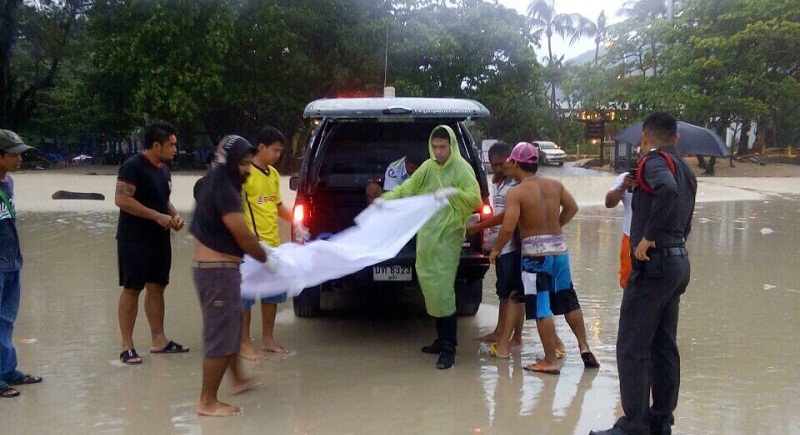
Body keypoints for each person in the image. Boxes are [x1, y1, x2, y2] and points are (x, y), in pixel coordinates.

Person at [591, 112, 697, 435]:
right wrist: (670, 242)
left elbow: (665, 190)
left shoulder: (652, 162)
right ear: (676, 138)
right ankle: (661, 420)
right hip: (677, 262)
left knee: (632, 345)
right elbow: (685, 215)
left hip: (654, 264)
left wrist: (650, 237)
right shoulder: (686, 170)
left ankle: (634, 425)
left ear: (645, 137)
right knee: (664, 345)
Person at [491, 142, 599, 375]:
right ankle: (584, 346)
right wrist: (555, 227)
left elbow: (508, 227)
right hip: (559, 252)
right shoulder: (554, 185)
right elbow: (572, 208)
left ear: (517, 164)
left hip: (534, 257)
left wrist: (496, 249)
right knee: (569, 299)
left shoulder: (516, 192)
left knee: (541, 307)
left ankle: (550, 360)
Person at [377, 125, 480, 369]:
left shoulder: (462, 169)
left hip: (448, 238)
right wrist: (386, 199)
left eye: (443, 147)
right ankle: (439, 339)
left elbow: (474, 198)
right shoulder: (427, 167)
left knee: (444, 291)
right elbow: (406, 188)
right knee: (431, 290)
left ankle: (449, 348)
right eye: (435, 147)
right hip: (427, 238)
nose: (438, 152)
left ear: (451, 146)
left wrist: (453, 191)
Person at [190, 135, 272, 417]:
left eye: (250, 163)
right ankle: (207, 401)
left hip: (220, 270)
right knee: (219, 336)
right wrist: (266, 258)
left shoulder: (215, 181)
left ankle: (237, 379)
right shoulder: (224, 187)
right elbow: (241, 232)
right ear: (229, 162)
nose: (248, 169)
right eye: (244, 164)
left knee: (233, 326)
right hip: (217, 272)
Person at [114, 120, 188, 365]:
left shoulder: (163, 170)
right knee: (132, 288)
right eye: (171, 145)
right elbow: (122, 200)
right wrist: (157, 217)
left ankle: (159, 340)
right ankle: (127, 346)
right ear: (156, 145)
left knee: (157, 286)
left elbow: (162, 200)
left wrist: (174, 215)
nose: (175, 150)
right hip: (134, 238)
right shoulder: (132, 166)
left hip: (159, 238)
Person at [239, 127, 294, 360]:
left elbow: (277, 205)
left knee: (272, 294)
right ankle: (243, 343)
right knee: (246, 296)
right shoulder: (244, 172)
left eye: (280, 151)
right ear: (260, 147)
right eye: (275, 150)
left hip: (273, 244)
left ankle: (268, 339)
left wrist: (296, 222)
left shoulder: (271, 173)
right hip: (249, 247)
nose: (277, 155)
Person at [466, 141, 525, 359]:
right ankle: (501, 332)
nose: (497, 169)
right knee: (504, 292)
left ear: (511, 161)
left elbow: (506, 219)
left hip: (512, 246)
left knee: (513, 294)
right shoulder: (498, 182)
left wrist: (483, 231)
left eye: (501, 164)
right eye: (493, 165)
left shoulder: (517, 184)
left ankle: (513, 339)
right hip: (502, 246)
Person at [0, 130, 42, 398]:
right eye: (15, 154)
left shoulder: (9, 183)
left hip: (12, 261)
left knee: (6, 320)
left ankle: (7, 369)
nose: (20, 159)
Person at [605, 171, 636, 289]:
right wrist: (623, 186)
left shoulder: (661, 175)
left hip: (656, 238)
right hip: (630, 237)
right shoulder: (626, 177)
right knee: (628, 281)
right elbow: (609, 203)